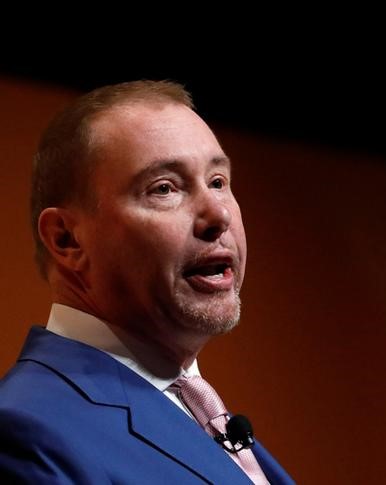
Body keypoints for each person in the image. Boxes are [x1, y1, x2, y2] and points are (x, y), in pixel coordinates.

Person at [0, 80, 295, 484]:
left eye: (218, 182)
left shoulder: (201, 412)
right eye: (165, 189)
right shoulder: (27, 433)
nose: (218, 215)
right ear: (67, 240)